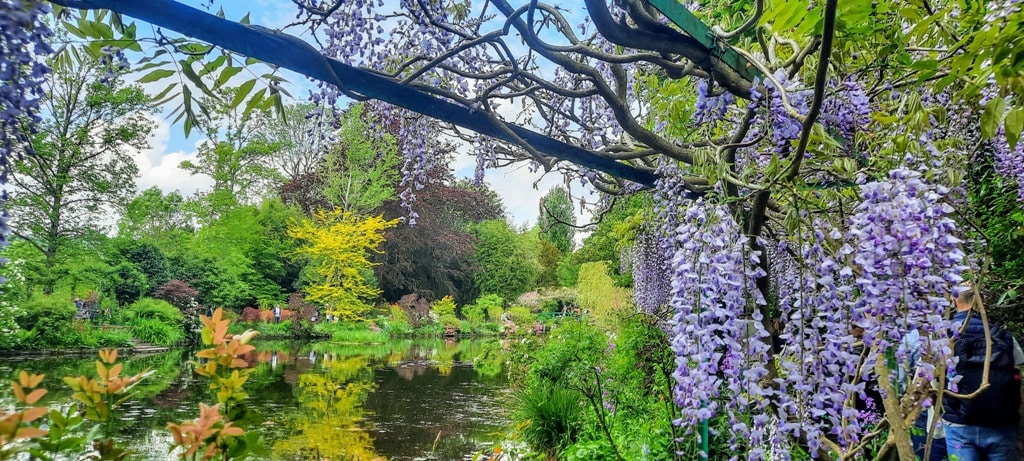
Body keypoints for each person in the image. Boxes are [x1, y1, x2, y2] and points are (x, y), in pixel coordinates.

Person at [942, 284, 1024, 461]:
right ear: (982, 302)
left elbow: (932, 382)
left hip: (959, 424)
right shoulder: (1004, 336)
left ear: (954, 301)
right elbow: (1017, 380)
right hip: (1001, 423)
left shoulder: (945, 337)